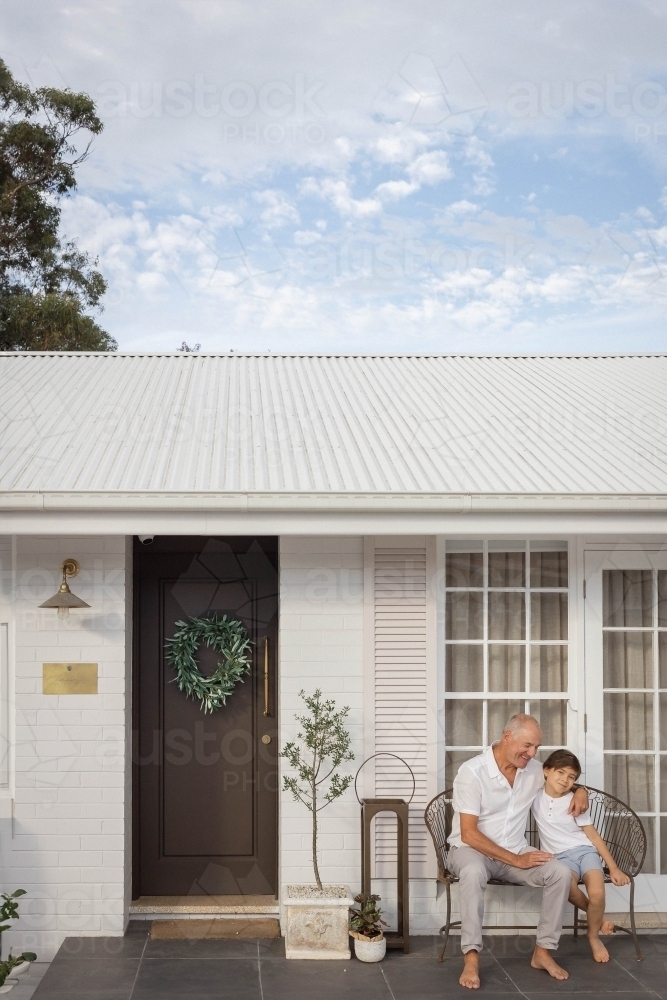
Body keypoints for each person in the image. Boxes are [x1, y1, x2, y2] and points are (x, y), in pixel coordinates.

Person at [448, 714, 589, 989]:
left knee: (559, 872)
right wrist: (516, 859)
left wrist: (581, 790)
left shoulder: (534, 770)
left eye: (536, 747)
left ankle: (543, 952)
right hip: (470, 850)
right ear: (507, 737)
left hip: (515, 850)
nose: (532, 753)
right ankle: (472, 957)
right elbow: (469, 833)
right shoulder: (472, 771)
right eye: (527, 745)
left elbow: (562, 780)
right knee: (474, 870)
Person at [532, 749, 630, 963]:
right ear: (546, 771)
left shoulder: (575, 802)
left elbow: (593, 837)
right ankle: (599, 918)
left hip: (585, 852)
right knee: (566, 886)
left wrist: (613, 867)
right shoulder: (534, 795)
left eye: (572, 777)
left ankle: (593, 936)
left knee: (598, 894)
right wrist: (581, 788)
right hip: (559, 857)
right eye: (561, 773)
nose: (565, 780)